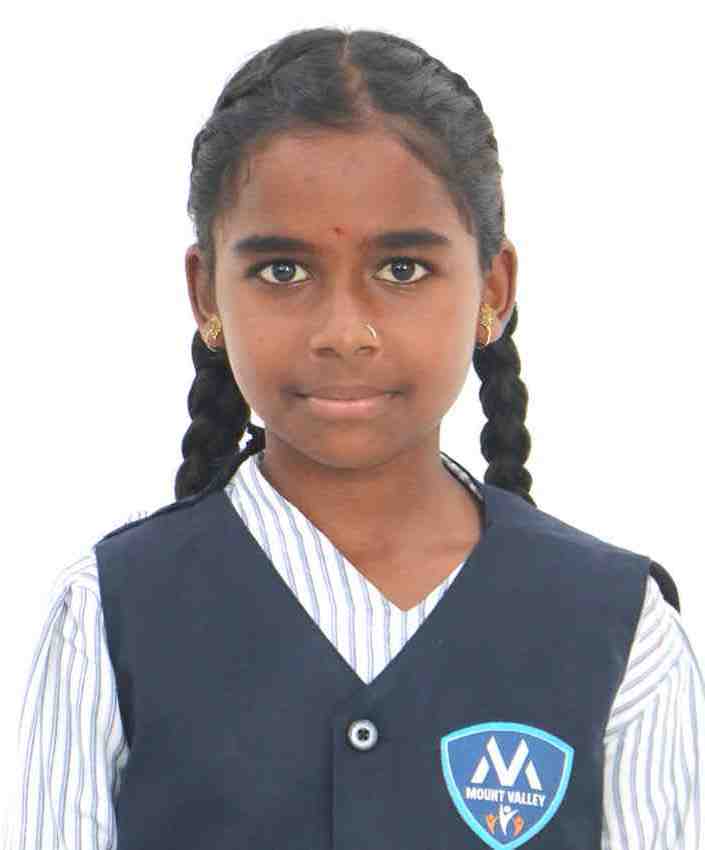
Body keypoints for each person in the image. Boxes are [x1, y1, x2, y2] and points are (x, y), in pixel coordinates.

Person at [3, 25, 703, 850]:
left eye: (402, 269)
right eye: (282, 270)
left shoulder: (620, 628)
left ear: (492, 289)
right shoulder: (105, 613)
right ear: (207, 295)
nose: (344, 333)